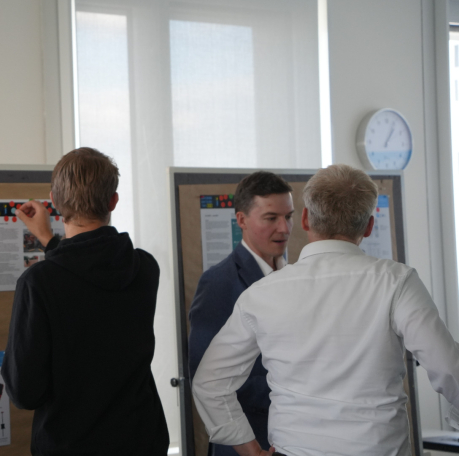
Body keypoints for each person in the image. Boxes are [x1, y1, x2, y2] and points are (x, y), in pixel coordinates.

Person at [192, 164, 459, 456]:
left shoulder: (262, 292)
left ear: (305, 219)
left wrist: (250, 450)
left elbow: (210, 383)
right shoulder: (397, 281)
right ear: (369, 226)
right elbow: (450, 369)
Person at [2, 147, 169, 455]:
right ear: (113, 201)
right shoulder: (145, 268)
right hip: (142, 439)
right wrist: (50, 241)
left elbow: (25, 392)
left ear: (54, 201)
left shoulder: (38, 283)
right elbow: (90, 275)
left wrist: (52, 244)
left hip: (69, 444)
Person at [189, 171, 294, 455]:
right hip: (246, 443)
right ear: (242, 220)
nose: (284, 228)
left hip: (292, 437)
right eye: (271, 218)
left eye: (289, 216)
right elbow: (207, 376)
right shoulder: (218, 283)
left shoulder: (297, 278)